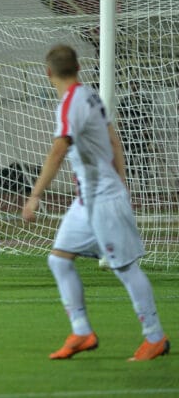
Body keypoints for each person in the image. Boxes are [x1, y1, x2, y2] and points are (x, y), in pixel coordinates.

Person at [22, 45, 170, 362]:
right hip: (87, 200)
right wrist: (123, 182)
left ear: (48, 73)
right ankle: (81, 331)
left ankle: (155, 337)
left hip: (103, 199)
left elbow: (58, 151)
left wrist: (35, 195)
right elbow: (114, 140)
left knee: (125, 268)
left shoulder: (70, 104)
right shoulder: (90, 95)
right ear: (78, 66)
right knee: (59, 259)